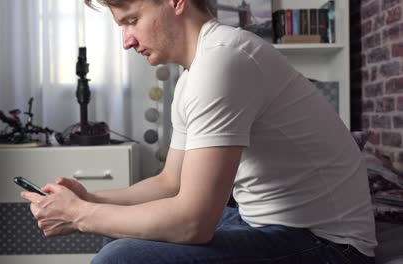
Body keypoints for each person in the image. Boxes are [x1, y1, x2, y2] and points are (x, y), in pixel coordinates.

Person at [21, 0, 378, 263]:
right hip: (267, 223)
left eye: (131, 21)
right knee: (123, 234)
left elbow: (193, 223)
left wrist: (79, 216)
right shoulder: (195, 74)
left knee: (120, 259)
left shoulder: (223, 60)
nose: (126, 41)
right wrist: (90, 201)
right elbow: (170, 183)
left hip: (332, 246)